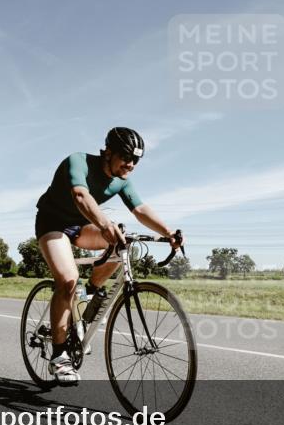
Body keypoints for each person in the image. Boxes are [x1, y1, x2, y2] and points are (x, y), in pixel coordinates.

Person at [34, 127, 183, 385]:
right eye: (126, 157)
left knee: (120, 241)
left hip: (81, 227)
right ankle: (59, 357)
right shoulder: (78, 161)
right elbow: (80, 196)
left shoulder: (122, 180)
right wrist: (104, 223)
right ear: (108, 152)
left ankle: (90, 293)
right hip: (52, 223)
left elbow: (140, 209)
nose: (131, 164)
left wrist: (168, 232)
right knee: (68, 281)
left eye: (136, 160)